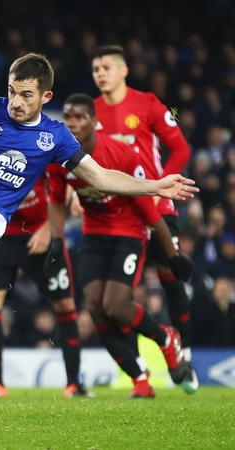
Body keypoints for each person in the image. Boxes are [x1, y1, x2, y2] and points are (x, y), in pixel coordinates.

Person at [0, 53, 198, 411]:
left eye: (26, 94)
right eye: (12, 91)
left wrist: (155, 186)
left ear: (45, 97)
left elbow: (102, 177)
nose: (15, 101)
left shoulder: (55, 135)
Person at [46, 93, 194, 398]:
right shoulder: (58, 157)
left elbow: (146, 207)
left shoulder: (121, 154)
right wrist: (57, 240)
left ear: (95, 123)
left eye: (79, 117)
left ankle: (166, 339)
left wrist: (172, 253)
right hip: (94, 231)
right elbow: (58, 200)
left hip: (129, 230)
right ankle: (140, 378)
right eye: (68, 117)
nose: (72, 123)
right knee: (95, 310)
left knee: (115, 306)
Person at [91, 45, 197, 394]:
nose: (100, 74)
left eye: (106, 67)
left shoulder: (148, 103)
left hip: (158, 208)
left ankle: (185, 355)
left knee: (170, 277)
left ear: (123, 71)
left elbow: (181, 149)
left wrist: (159, 186)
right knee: (121, 299)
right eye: (95, 69)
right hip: (120, 217)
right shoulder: (90, 113)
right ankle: (141, 378)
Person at [0, 173, 88, 398]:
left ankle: (74, 384)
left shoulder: (44, 146)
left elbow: (63, 186)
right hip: (4, 236)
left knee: (65, 304)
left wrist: (49, 229)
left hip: (42, 231)